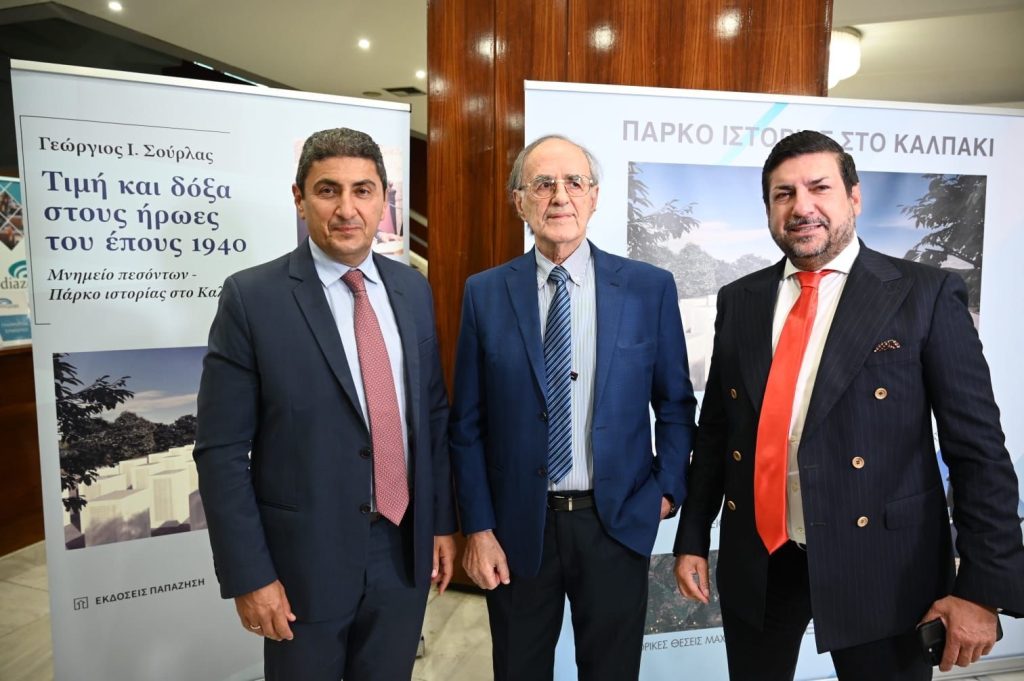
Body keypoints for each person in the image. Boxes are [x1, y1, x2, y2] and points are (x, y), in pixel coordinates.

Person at [673, 130, 1024, 680]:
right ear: (769, 209)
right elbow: (718, 430)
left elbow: (978, 450)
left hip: (881, 564)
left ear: (854, 197)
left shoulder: (925, 293)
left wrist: (982, 589)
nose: (801, 207)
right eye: (784, 194)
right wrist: (693, 536)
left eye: (819, 188)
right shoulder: (739, 299)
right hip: (762, 556)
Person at [194, 127, 457, 681]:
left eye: (363, 190)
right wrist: (250, 574)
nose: (347, 209)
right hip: (301, 566)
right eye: (327, 190)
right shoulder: (252, 298)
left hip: (402, 552)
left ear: (383, 200)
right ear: (299, 198)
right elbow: (221, 452)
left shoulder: (412, 290)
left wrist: (439, 524)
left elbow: (431, 417)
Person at [449, 134, 697, 680]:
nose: (560, 196)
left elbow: (676, 405)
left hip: (615, 523)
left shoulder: (648, 288)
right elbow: (466, 425)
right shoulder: (484, 293)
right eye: (542, 184)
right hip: (516, 529)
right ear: (519, 201)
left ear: (594, 196)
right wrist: (480, 528)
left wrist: (665, 491)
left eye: (574, 182)